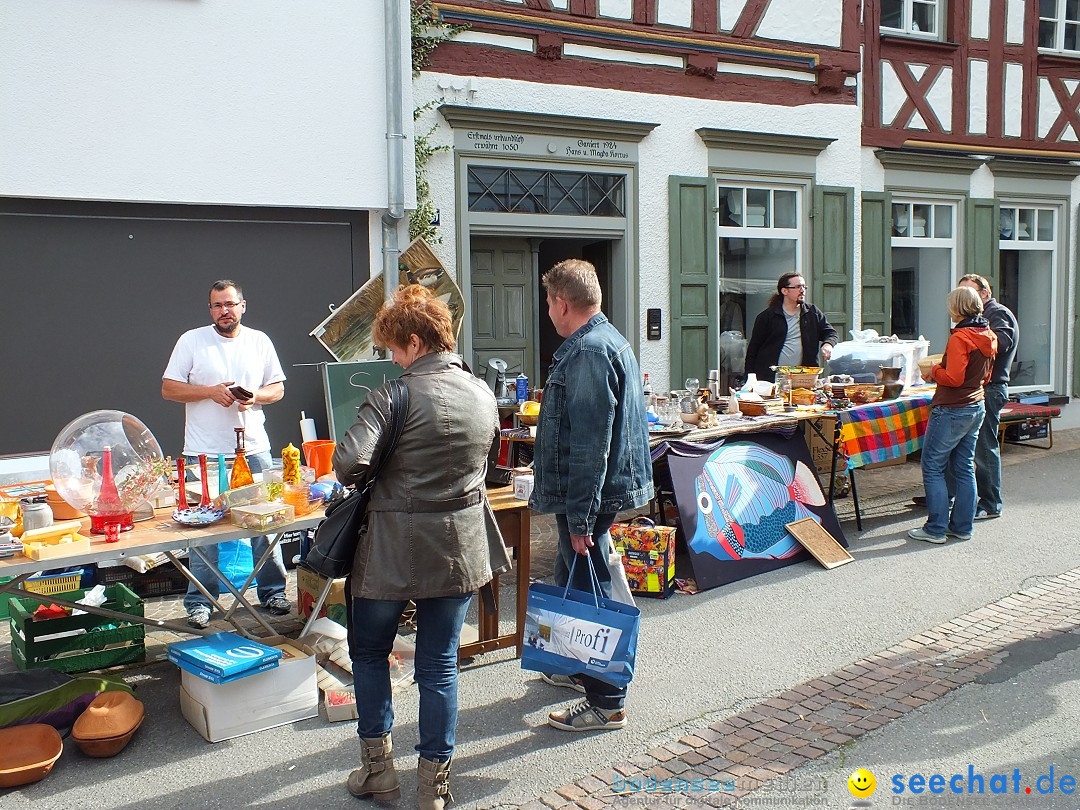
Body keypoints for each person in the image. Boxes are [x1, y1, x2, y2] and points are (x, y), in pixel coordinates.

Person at [333, 285, 511, 810]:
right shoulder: (482, 391)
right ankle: (432, 788)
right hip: (457, 544)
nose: (392, 358)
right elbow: (485, 457)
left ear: (413, 342)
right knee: (439, 665)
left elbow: (348, 463)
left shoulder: (394, 394)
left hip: (390, 546)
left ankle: (379, 771)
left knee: (369, 653)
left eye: (393, 348)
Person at [529, 259, 653, 732]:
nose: (548, 311)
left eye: (547, 302)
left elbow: (590, 444)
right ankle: (573, 664)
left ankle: (607, 700)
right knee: (571, 577)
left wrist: (581, 518)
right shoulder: (607, 340)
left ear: (562, 302)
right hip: (595, 491)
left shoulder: (589, 352)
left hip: (589, 496)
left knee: (590, 587)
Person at [162, 280, 290, 629]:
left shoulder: (259, 341)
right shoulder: (192, 340)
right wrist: (209, 392)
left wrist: (255, 397)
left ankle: (273, 591)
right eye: (217, 306)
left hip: (254, 449)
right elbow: (168, 388)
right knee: (204, 529)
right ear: (210, 310)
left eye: (230, 304)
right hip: (203, 452)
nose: (224, 311)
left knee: (266, 523)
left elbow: (277, 388)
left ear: (243, 306)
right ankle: (200, 601)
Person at [911, 274, 1018, 519]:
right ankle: (950, 503)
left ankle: (989, 503)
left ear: (983, 294)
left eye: (967, 292)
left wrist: (940, 368)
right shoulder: (978, 329)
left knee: (982, 451)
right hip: (978, 391)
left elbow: (999, 347)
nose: (963, 298)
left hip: (983, 391)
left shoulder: (992, 317)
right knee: (961, 460)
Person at [908, 286, 997, 546]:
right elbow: (986, 376)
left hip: (952, 408)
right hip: (976, 405)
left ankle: (936, 528)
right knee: (964, 467)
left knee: (933, 466)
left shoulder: (961, 337)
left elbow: (954, 378)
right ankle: (961, 527)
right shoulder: (988, 334)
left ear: (956, 308)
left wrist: (934, 371)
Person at [744, 272, 838, 383]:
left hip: (803, 378)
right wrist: (749, 379)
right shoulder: (768, 316)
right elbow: (753, 349)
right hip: (772, 379)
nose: (802, 290)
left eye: (804, 287)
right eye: (798, 287)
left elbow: (830, 333)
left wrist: (827, 345)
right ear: (784, 291)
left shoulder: (812, 312)